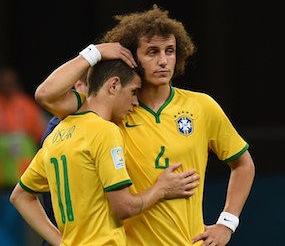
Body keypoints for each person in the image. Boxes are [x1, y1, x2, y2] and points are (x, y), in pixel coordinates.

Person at [34, 5, 256, 246]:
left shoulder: (202, 106)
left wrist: (227, 223)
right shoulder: (113, 109)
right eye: (152, 52)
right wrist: (94, 52)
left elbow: (243, 164)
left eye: (169, 51)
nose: (163, 61)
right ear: (131, 57)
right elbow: (46, 95)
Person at [10, 59, 200, 245]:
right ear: (114, 85)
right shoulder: (105, 131)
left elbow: (20, 196)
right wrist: (162, 189)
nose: (136, 102)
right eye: (133, 92)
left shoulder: (56, 135)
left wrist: (62, 242)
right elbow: (123, 207)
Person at [39, 74, 89, 246]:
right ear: (79, 85)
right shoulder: (57, 130)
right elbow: (44, 95)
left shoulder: (102, 127)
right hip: (67, 236)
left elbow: (20, 196)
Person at [0, 65, 47, 246]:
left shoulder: (27, 106)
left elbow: (42, 137)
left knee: (16, 227)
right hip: (2, 177)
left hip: (19, 178)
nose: (8, 86)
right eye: (4, 83)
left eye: (11, 83)